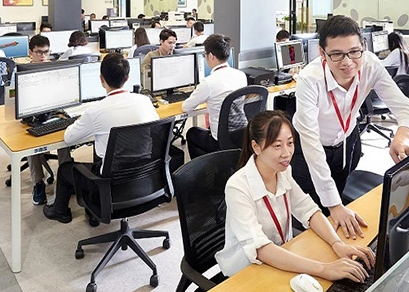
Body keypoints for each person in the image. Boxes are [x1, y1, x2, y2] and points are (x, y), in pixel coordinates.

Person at [292, 15, 409, 238]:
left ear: (363, 46)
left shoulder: (370, 64)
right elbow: (311, 144)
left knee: (341, 205)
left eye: (354, 52)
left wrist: (403, 135)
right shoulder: (309, 80)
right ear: (322, 53)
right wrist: (333, 205)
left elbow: (406, 108)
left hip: (347, 141)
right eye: (336, 54)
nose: (347, 62)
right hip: (308, 149)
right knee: (313, 216)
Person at [215, 110, 375, 280]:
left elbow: (309, 210)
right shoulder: (237, 187)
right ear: (256, 147)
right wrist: (324, 269)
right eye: (277, 146)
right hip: (249, 270)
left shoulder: (282, 171)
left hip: (283, 257)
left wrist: (337, 244)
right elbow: (260, 248)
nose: (286, 153)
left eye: (290, 143)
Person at [42, 53, 159, 223]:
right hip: (145, 178)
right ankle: (91, 210)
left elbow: (69, 138)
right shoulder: (144, 101)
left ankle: (60, 211)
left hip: (110, 185)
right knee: (102, 152)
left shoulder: (96, 111)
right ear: (127, 78)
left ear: (101, 79)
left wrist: (78, 121)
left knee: (65, 169)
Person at [23, 34, 74, 206]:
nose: (43, 56)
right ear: (30, 52)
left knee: (64, 137)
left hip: (54, 112)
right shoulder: (22, 72)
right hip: (30, 115)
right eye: (39, 52)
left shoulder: (55, 69)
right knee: (30, 143)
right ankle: (38, 184)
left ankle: (66, 179)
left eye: (46, 52)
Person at [182, 34, 248, 158]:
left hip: (220, 140)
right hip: (242, 135)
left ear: (211, 56)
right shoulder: (241, 75)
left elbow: (186, 107)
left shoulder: (208, 82)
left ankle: (205, 167)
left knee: (192, 133)